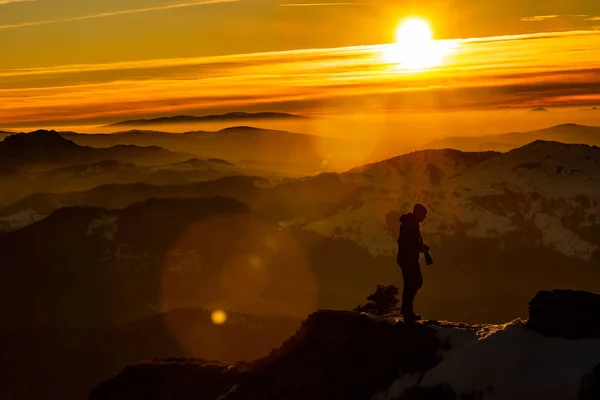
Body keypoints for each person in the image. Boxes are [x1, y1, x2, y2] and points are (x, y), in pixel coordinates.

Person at [396, 203, 429, 322]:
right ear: (419, 213)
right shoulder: (411, 223)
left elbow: (408, 241)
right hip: (408, 258)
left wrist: (420, 247)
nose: (424, 218)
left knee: (413, 282)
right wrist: (420, 248)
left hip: (408, 258)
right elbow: (408, 241)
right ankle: (407, 311)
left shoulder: (410, 222)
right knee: (413, 282)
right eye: (424, 215)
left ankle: (407, 309)